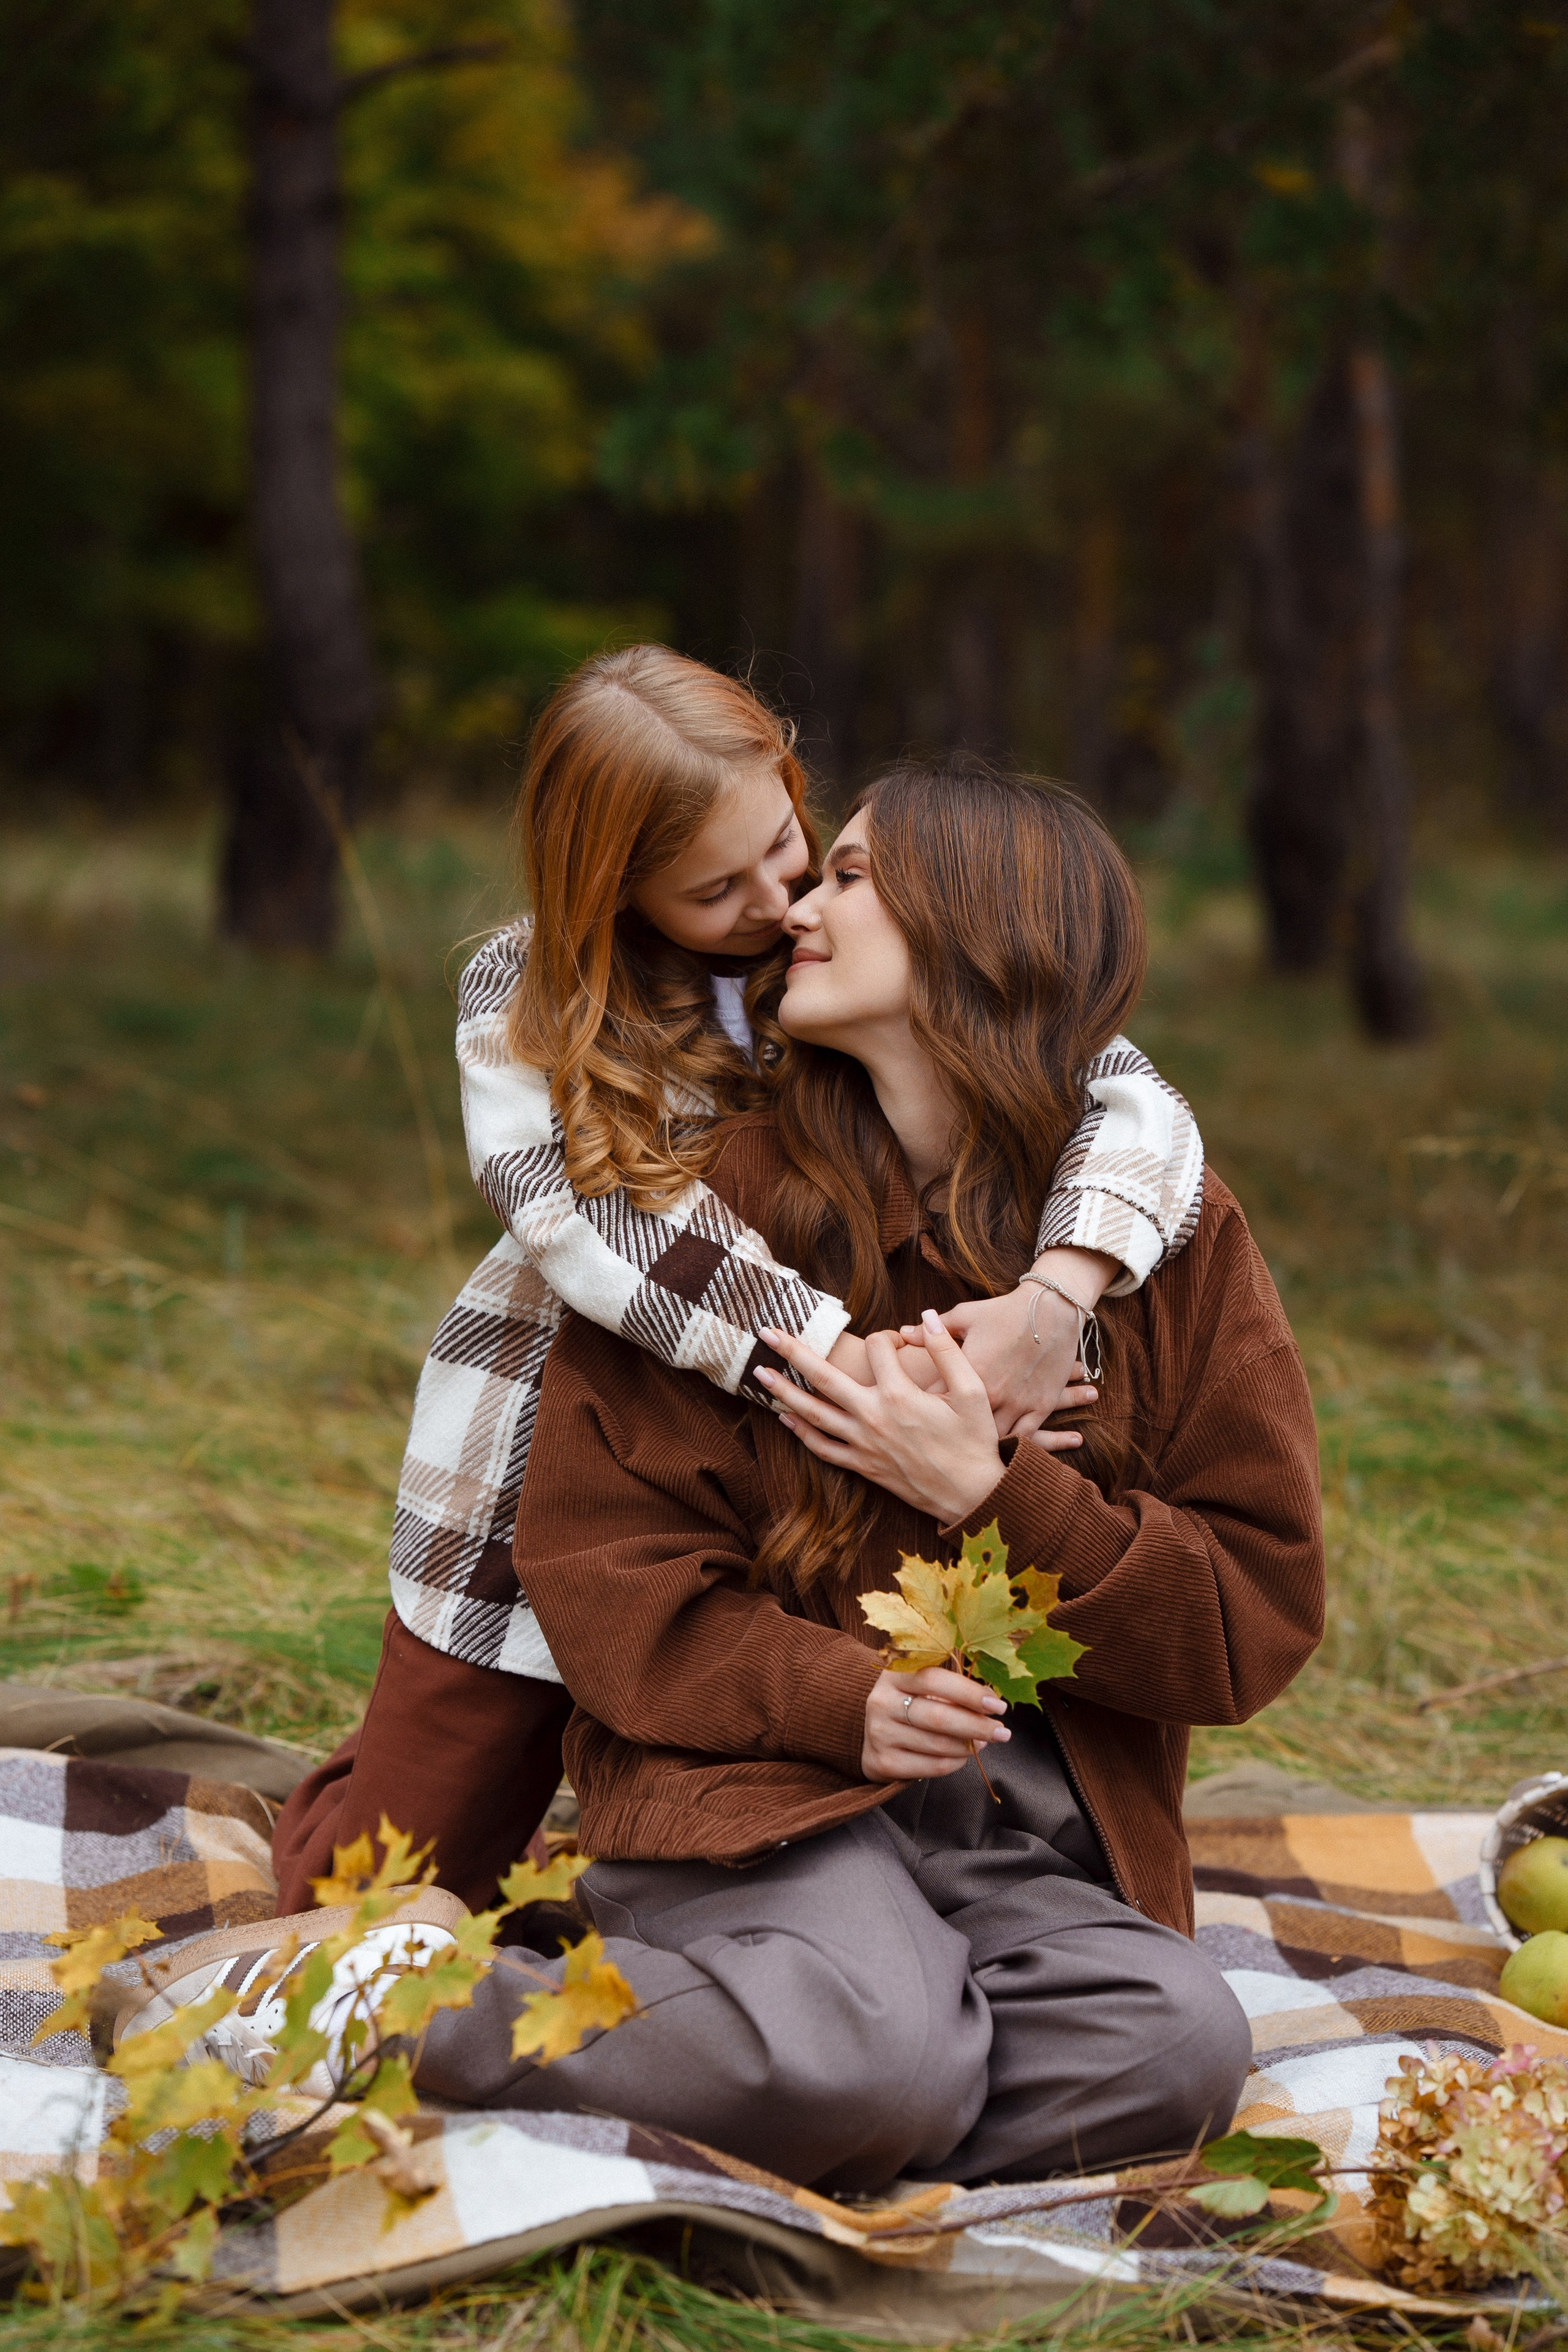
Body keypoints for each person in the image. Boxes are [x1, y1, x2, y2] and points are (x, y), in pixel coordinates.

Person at [274, 653, 1207, 1913]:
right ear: (610, 887)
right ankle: (360, 1800)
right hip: (555, 1461)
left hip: (784, 1483)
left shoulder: (830, 948)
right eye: (715, 889)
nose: (775, 902)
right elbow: (595, 1220)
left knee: (746, 1755)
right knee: (377, 1892)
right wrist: (851, 1365)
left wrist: (1058, 1295)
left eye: (783, 845)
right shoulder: (529, 991)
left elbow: (1132, 1101)